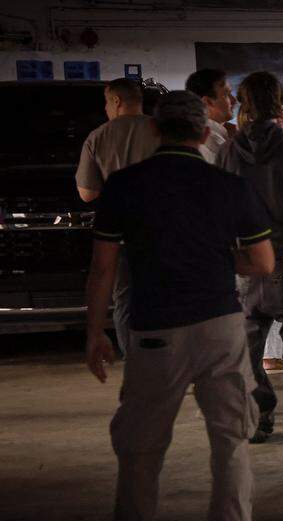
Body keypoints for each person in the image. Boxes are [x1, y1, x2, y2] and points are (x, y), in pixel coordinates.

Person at [84, 90, 274, 521]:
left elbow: (103, 268)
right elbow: (262, 263)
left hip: (153, 331)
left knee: (141, 446)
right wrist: (218, 260)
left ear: (154, 130)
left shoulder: (124, 187)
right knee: (229, 438)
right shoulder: (229, 187)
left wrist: (94, 333)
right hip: (220, 326)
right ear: (203, 131)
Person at [216, 71, 283, 445]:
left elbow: (221, 209)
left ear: (244, 104)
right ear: (280, 104)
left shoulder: (227, 150)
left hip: (245, 261)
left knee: (250, 351)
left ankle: (260, 421)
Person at [75, 78, 162, 355]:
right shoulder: (162, 130)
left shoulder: (98, 136)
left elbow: (87, 193)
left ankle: (135, 361)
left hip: (123, 235)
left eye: (106, 101)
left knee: (125, 301)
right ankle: (166, 359)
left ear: (115, 101)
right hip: (165, 234)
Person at [185, 68, 236, 163]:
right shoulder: (214, 145)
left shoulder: (221, 137)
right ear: (207, 101)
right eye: (226, 95)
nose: (234, 100)